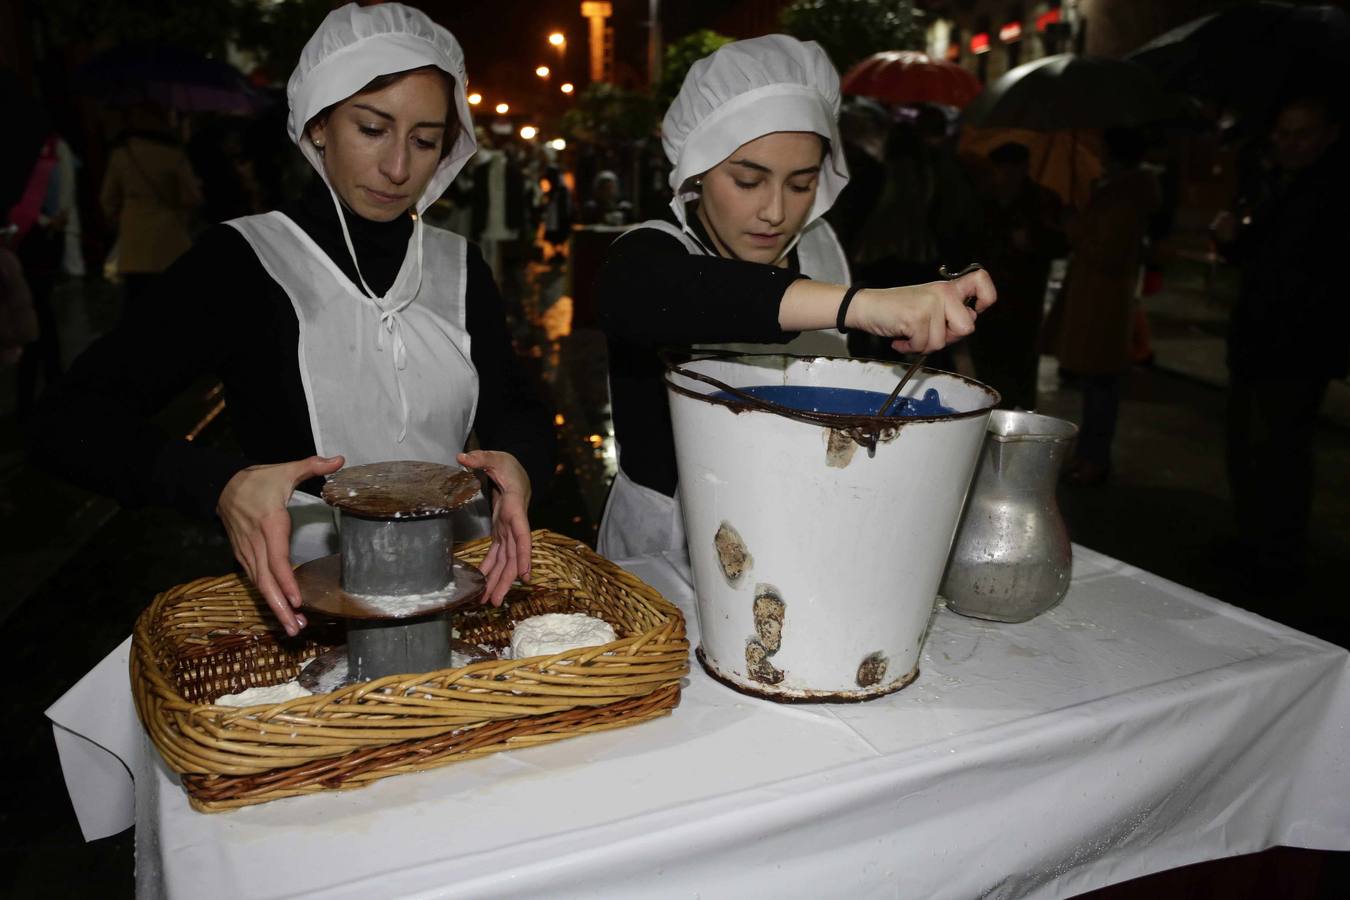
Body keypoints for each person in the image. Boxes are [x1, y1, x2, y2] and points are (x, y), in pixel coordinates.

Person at [33, 3, 553, 634]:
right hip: (306, 616)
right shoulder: (244, 261)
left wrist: (519, 463)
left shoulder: (458, 265)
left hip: (460, 596)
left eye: (424, 141)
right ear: (317, 127)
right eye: (371, 129)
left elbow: (513, 408)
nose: (398, 169)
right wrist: (220, 484)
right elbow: (68, 420)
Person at [595, 35, 996, 559]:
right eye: (747, 181)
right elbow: (661, 295)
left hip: (803, 527)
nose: (776, 213)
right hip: (669, 550)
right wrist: (863, 306)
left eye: (802, 184)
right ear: (696, 171)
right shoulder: (651, 255)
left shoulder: (823, 247)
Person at [1213, 93, 1348, 588]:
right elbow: (1256, 256)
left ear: (1330, 135)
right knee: (1245, 443)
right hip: (1255, 339)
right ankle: (1252, 539)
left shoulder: (1332, 192)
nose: (1289, 143)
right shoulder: (1275, 181)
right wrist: (1233, 238)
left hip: (1299, 347)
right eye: (1284, 133)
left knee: (1282, 449)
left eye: (1302, 133)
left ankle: (1280, 554)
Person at [1044, 127, 1160, 485]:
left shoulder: (1123, 197)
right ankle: (1089, 456)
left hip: (1104, 303)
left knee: (1101, 386)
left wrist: (1074, 225)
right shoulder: (1117, 191)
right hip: (1100, 299)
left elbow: (1106, 250)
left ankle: (1095, 459)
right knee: (1096, 385)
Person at [969, 141, 1066, 411]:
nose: (1006, 175)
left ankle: (1019, 414)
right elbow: (967, 240)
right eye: (1001, 169)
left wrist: (1033, 241)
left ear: (1024, 169)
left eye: (1012, 169)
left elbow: (1060, 244)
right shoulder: (983, 198)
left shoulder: (1043, 200)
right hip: (985, 295)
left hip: (1024, 295)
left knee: (1021, 361)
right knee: (987, 362)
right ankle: (989, 411)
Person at [99, 102, 202, 314]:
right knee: (175, 307)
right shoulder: (172, 154)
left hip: (134, 244)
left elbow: (107, 200)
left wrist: (121, 222)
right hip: (171, 242)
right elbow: (192, 197)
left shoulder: (122, 154)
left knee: (140, 308)